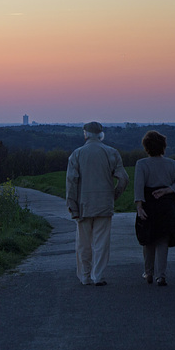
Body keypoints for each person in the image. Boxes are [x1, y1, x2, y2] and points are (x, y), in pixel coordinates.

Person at [66, 122, 130, 286]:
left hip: (83, 205)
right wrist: (113, 195)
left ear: (85, 134)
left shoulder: (77, 154)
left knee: (83, 243)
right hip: (104, 204)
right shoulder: (111, 152)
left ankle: (85, 276)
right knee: (101, 243)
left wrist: (72, 206)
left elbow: (71, 182)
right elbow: (124, 179)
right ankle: (98, 276)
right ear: (101, 134)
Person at [134, 130, 175, 286]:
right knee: (163, 240)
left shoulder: (142, 164)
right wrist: (167, 190)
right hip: (166, 206)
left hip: (148, 204)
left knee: (148, 240)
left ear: (146, 147)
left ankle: (148, 273)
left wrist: (139, 207)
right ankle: (161, 276)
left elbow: (138, 187)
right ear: (163, 146)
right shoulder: (172, 164)